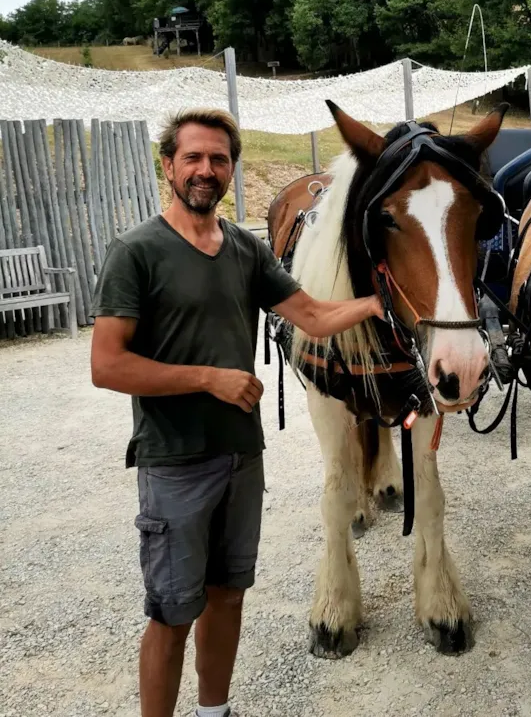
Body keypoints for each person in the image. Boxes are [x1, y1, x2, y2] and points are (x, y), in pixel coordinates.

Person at [89, 108, 383, 717]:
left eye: (218, 159)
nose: (206, 169)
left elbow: (313, 316)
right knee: (171, 614)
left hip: (241, 458)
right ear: (168, 166)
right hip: (174, 462)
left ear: (231, 169)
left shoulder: (245, 249)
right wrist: (207, 378)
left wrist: (380, 303)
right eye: (192, 157)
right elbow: (107, 365)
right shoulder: (136, 251)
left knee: (228, 597)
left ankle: (214, 711)